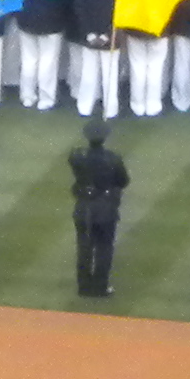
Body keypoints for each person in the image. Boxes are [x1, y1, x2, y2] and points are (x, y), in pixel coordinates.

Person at [65, 120, 129, 296]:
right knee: (104, 248)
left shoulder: (78, 156)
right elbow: (123, 181)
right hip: (106, 208)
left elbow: (74, 162)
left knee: (84, 247)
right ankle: (101, 286)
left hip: (84, 206)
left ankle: (84, 286)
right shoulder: (113, 158)